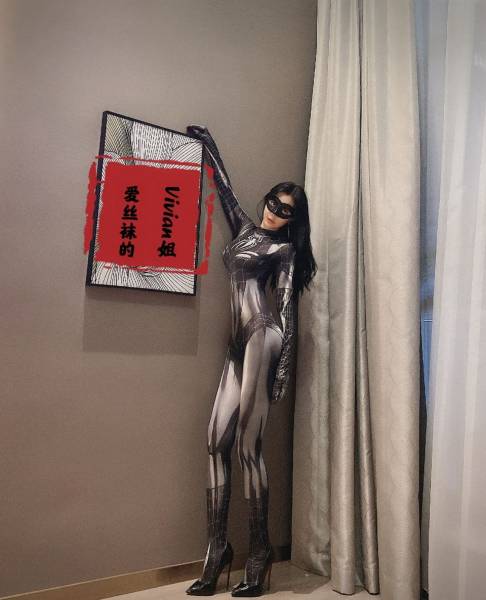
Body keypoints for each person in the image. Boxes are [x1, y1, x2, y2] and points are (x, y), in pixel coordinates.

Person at [184, 125, 317, 597]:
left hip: (263, 336)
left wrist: (282, 369)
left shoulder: (284, 249)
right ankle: (217, 549)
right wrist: (209, 146)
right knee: (214, 443)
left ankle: (259, 555)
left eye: (286, 210)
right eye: (274, 203)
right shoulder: (244, 228)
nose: (275, 212)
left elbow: (285, 309)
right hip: (236, 345)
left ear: (294, 219)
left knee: (247, 447)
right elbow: (225, 190)